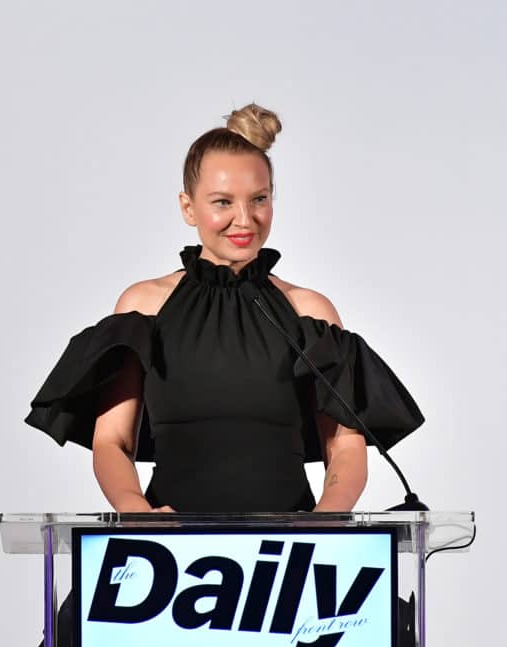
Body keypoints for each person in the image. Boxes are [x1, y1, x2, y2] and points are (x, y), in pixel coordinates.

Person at [26, 102, 423, 515]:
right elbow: (113, 442)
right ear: (187, 207)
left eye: (259, 199)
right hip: (167, 555)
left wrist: (325, 519)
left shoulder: (309, 312)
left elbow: (343, 445)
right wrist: (136, 512)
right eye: (222, 202)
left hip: (292, 555)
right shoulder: (144, 307)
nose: (244, 219)